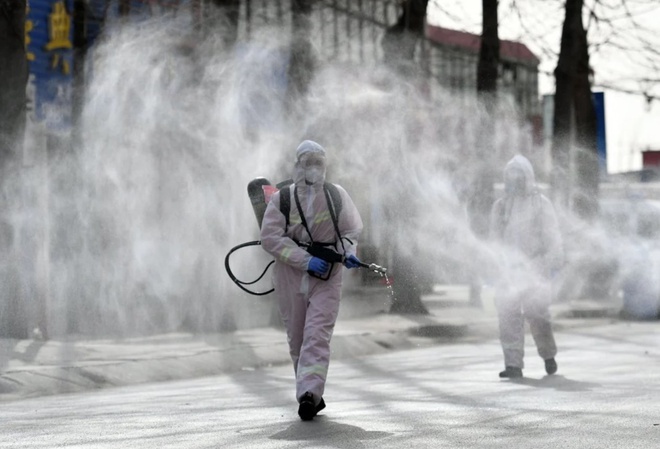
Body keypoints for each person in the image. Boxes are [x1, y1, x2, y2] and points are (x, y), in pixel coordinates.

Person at [260, 140, 363, 420]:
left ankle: (308, 394)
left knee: (317, 334)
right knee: (297, 340)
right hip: (290, 276)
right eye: (309, 162)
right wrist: (304, 260)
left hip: (328, 275)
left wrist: (348, 252)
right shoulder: (282, 199)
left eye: (319, 162)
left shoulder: (336, 195)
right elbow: (270, 238)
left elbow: (350, 230)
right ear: (298, 165)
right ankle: (309, 389)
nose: (315, 168)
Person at [488, 155, 563, 379]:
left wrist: (551, 262)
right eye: (510, 176)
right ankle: (513, 365)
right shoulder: (501, 207)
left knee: (537, 314)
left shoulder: (541, 204)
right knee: (508, 316)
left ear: (527, 177)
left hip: (535, 267)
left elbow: (553, 236)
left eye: (518, 176)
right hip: (509, 271)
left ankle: (548, 355)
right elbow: (494, 240)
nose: (515, 181)